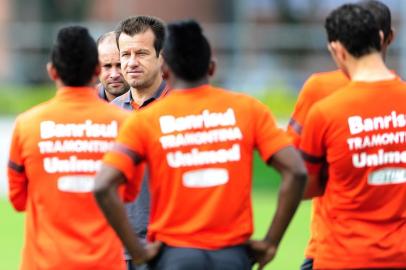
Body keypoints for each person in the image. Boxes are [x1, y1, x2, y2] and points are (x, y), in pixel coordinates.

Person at [94, 19, 307, 270]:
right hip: (232, 254)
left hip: (172, 253)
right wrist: (271, 242)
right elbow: (296, 171)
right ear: (212, 68)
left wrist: (137, 250)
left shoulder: (147, 120)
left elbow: (103, 184)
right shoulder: (247, 109)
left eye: (141, 53)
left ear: (166, 67)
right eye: (125, 55)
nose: (130, 63)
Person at [7, 26, 130, 269]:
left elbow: (18, 200)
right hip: (105, 264)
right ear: (97, 70)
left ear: (52, 71)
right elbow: (130, 193)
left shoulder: (27, 125)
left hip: (43, 263)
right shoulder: (126, 125)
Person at [287, 1, 395, 269]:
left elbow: (298, 173)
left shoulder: (322, 98)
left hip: (336, 249)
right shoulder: (400, 93)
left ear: (337, 47)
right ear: (385, 38)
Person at [96, 31, 130, 102]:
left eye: (119, 65)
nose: (114, 75)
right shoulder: (83, 103)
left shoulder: (153, 103)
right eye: (107, 66)